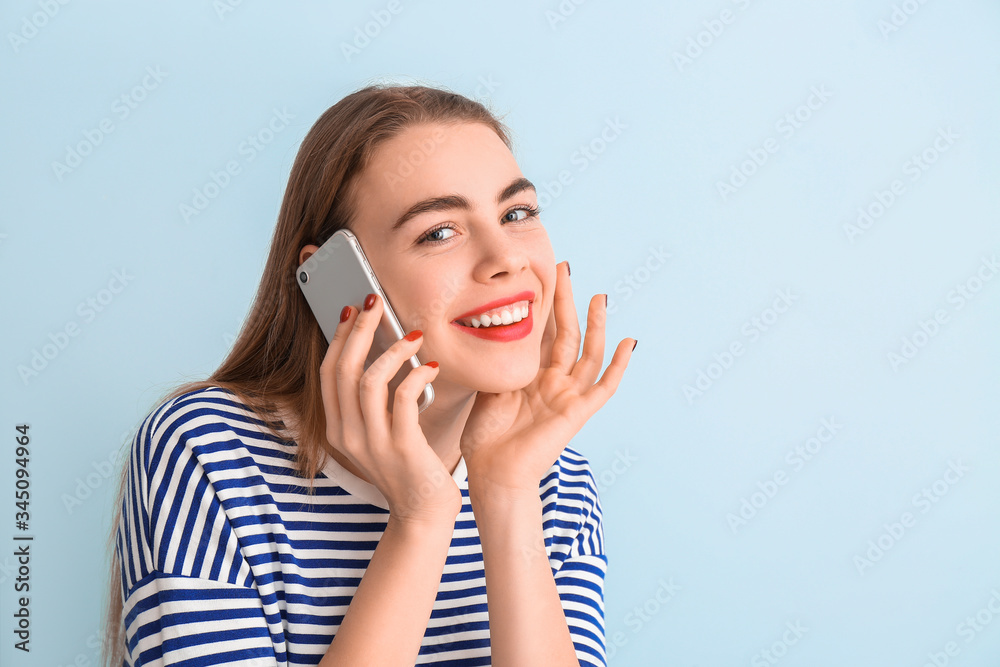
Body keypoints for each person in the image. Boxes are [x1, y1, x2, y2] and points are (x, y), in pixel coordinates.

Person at [102, 82, 636, 667]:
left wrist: (507, 499)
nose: (506, 256)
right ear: (339, 285)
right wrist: (420, 520)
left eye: (517, 212)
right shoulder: (209, 452)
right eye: (439, 232)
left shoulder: (552, 481)